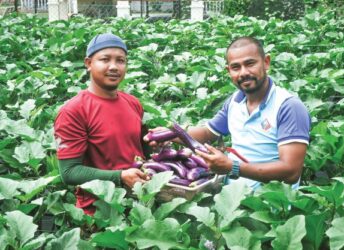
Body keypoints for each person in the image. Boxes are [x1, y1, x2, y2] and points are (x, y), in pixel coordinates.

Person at [146, 36, 311, 189]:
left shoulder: (289, 107)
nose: (243, 72)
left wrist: (233, 167)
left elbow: (291, 172)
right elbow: (207, 133)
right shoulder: (235, 102)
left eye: (250, 63)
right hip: (232, 200)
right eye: (235, 67)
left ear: (266, 62)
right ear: (228, 70)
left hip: (272, 207)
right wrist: (170, 134)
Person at [54, 33, 149, 215]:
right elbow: (69, 172)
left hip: (141, 202)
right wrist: (120, 177)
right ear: (88, 63)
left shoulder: (133, 103)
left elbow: (143, 149)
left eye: (120, 60)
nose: (114, 66)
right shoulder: (73, 111)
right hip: (99, 211)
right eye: (105, 59)